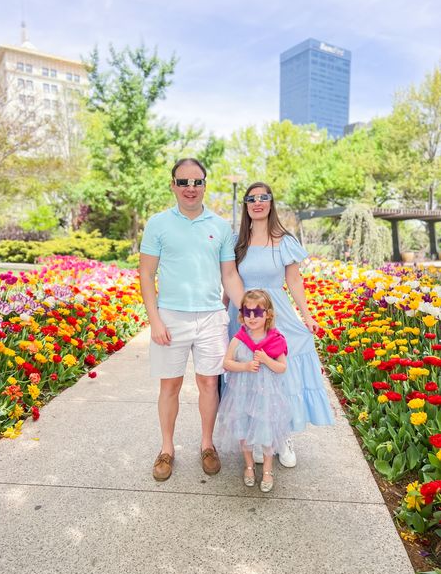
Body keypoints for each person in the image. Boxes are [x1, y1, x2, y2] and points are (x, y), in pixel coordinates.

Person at [139, 158, 244, 482]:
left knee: (209, 383)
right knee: (169, 385)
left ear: (205, 185)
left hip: (212, 318)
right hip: (170, 317)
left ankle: (207, 445)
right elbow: (146, 273)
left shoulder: (220, 226)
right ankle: (167, 449)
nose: (190, 188)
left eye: (196, 182)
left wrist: (251, 311)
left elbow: (229, 275)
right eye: (183, 182)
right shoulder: (158, 224)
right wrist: (155, 320)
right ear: (173, 185)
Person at [226, 182, 334, 468]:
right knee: (251, 375)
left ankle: (282, 435)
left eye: (264, 198)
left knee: (280, 373)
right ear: (246, 205)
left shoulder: (284, 240)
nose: (258, 202)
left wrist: (307, 316)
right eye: (252, 198)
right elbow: (229, 278)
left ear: (272, 203)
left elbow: (294, 281)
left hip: (276, 312)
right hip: (245, 312)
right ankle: (259, 437)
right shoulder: (238, 242)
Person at [217, 290, 290, 492]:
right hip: (241, 395)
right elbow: (227, 363)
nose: (252, 317)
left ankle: (267, 469)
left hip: (265, 397)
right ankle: (249, 465)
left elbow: (282, 368)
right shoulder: (239, 339)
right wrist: (245, 366)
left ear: (267, 314)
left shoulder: (275, 339)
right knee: (243, 429)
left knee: (266, 431)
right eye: (247, 312)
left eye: (257, 312)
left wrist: (267, 359)